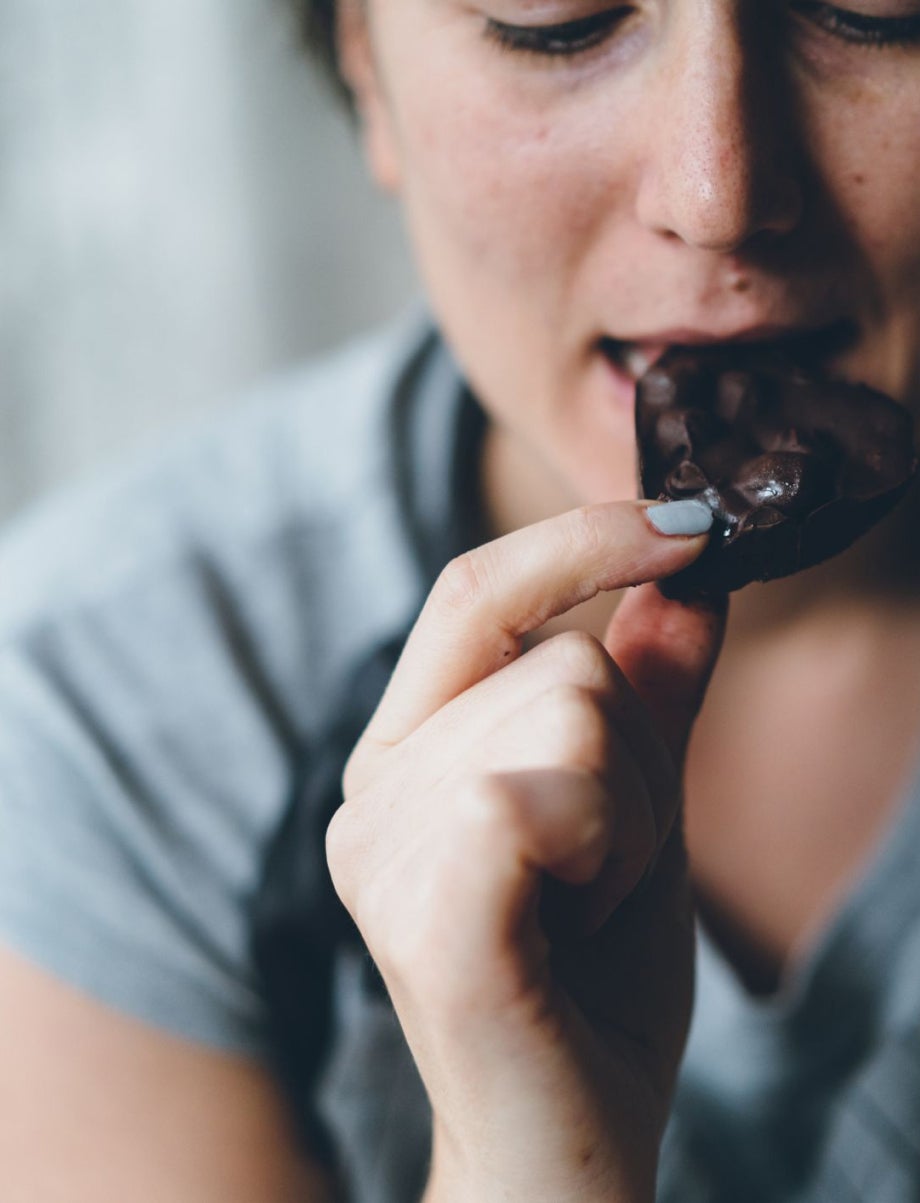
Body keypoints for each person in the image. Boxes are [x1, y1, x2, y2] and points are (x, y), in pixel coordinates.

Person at [1, 0, 919, 1199]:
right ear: (363, 70)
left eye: (874, 9)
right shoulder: (99, 703)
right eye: (554, 19)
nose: (717, 193)